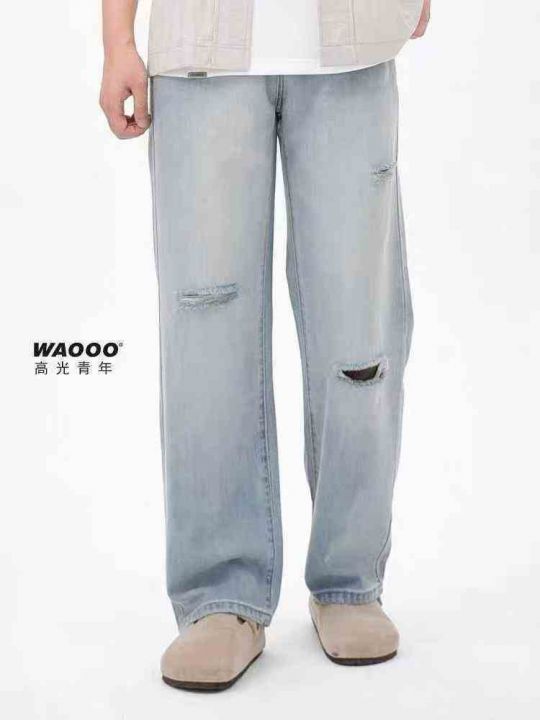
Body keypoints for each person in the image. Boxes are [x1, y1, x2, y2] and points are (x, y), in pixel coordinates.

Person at [100, 0, 430, 692]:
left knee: (359, 331)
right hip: (200, 52)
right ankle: (220, 596)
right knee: (205, 337)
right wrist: (117, 39)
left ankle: (349, 581)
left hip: (355, 45)